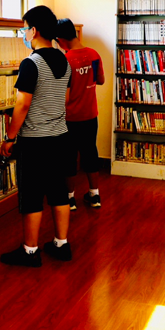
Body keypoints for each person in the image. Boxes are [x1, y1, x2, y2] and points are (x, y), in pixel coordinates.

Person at [0, 5, 72, 267]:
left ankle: (30, 251)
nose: (24, 33)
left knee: (31, 196)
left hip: (35, 141)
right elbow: (65, 99)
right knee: (58, 192)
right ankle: (61, 244)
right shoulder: (65, 60)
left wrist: (9, 137)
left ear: (35, 30)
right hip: (60, 137)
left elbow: (23, 105)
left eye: (25, 28)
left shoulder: (31, 63)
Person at [55, 18, 105, 210]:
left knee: (69, 157)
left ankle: (69, 199)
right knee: (90, 153)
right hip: (90, 115)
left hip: (70, 118)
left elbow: (65, 96)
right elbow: (100, 80)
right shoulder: (93, 54)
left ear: (60, 39)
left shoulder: (65, 60)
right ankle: (94, 195)